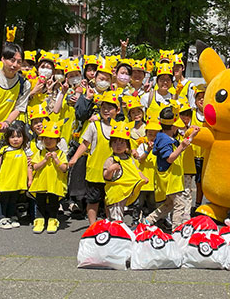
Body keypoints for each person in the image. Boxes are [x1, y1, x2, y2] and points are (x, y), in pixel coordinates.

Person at [67, 90, 119, 224]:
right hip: (95, 170)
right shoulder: (93, 125)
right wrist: (74, 158)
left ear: (117, 111)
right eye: (104, 108)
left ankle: (110, 224)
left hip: (112, 171)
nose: (106, 110)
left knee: (110, 199)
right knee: (93, 200)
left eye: (110, 108)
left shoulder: (120, 128)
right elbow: (85, 144)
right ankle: (92, 225)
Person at [143, 106, 198, 228]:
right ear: (173, 127)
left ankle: (148, 221)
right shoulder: (164, 140)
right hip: (170, 180)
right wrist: (182, 145)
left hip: (173, 180)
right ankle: (177, 229)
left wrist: (192, 136)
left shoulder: (168, 138)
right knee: (180, 204)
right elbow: (170, 158)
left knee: (169, 204)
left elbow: (181, 146)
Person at [0, 121, 33, 229]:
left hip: (17, 181)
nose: (16, 139)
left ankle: (11, 216)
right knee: (3, 200)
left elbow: (28, 166)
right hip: (5, 180)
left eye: (18, 136)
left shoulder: (25, 151)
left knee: (13, 200)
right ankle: (2, 218)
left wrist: (30, 179)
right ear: (8, 138)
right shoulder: (5, 150)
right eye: (12, 137)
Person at [103, 121, 149, 222]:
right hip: (115, 193)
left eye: (122, 143)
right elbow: (106, 176)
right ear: (111, 144)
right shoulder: (111, 159)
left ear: (127, 145)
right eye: (115, 143)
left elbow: (135, 170)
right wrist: (111, 169)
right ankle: (115, 232)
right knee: (115, 216)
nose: (118, 146)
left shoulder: (129, 158)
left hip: (125, 192)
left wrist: (143, 177)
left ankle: (117, 231)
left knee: (120, 214)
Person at [30, 121, 68, 234]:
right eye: (45, 138)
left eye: (51, 138)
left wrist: (56, 160)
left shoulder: (61, 153)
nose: (48, 141)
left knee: (53, 202)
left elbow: (64, 168)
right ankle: (39, 221)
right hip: (41, 183)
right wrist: (45, 160)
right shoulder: (40, 153)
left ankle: (52, 220)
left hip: (54, 183)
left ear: (57, 140)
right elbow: (35, 167)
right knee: (40, 202)